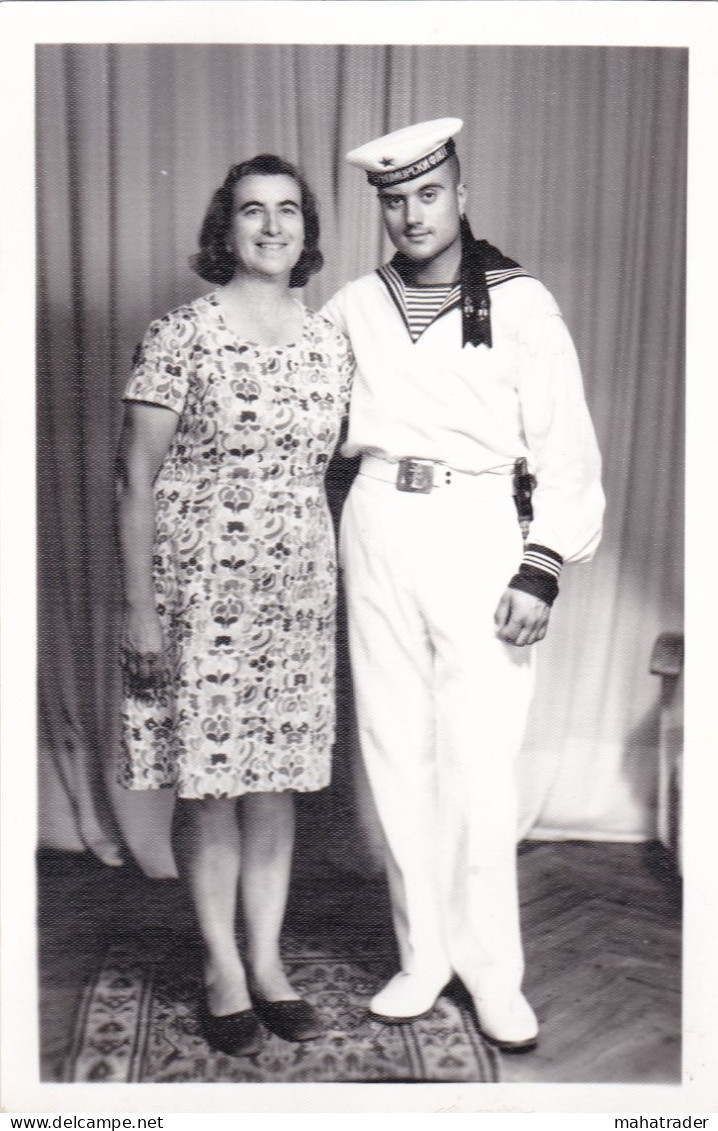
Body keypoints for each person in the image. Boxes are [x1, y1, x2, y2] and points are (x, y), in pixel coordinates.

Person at [322, 119, 605, 1051]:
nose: (411, 213)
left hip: (480, 523)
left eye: (428, 195)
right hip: (376, 518)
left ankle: (493, 973)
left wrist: (542, 566)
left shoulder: (521, 301)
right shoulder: (356, 303)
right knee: (395, 749)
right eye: (394, 200)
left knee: (480, 761)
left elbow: (566, 449)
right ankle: (422, 956)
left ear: (461, 195)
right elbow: (304, 419)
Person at [116, 154, 353, 1057]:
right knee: (212, 786)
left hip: (294, 592)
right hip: (196, 588)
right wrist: (139, 608)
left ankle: (268, 963)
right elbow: (132, 477)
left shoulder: (331, 339)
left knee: (274, 783)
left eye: (287, 210)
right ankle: (220, 965)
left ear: (305, 229)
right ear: (228, 227)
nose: (271, 226)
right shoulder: (181, 333)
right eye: (252, 211)